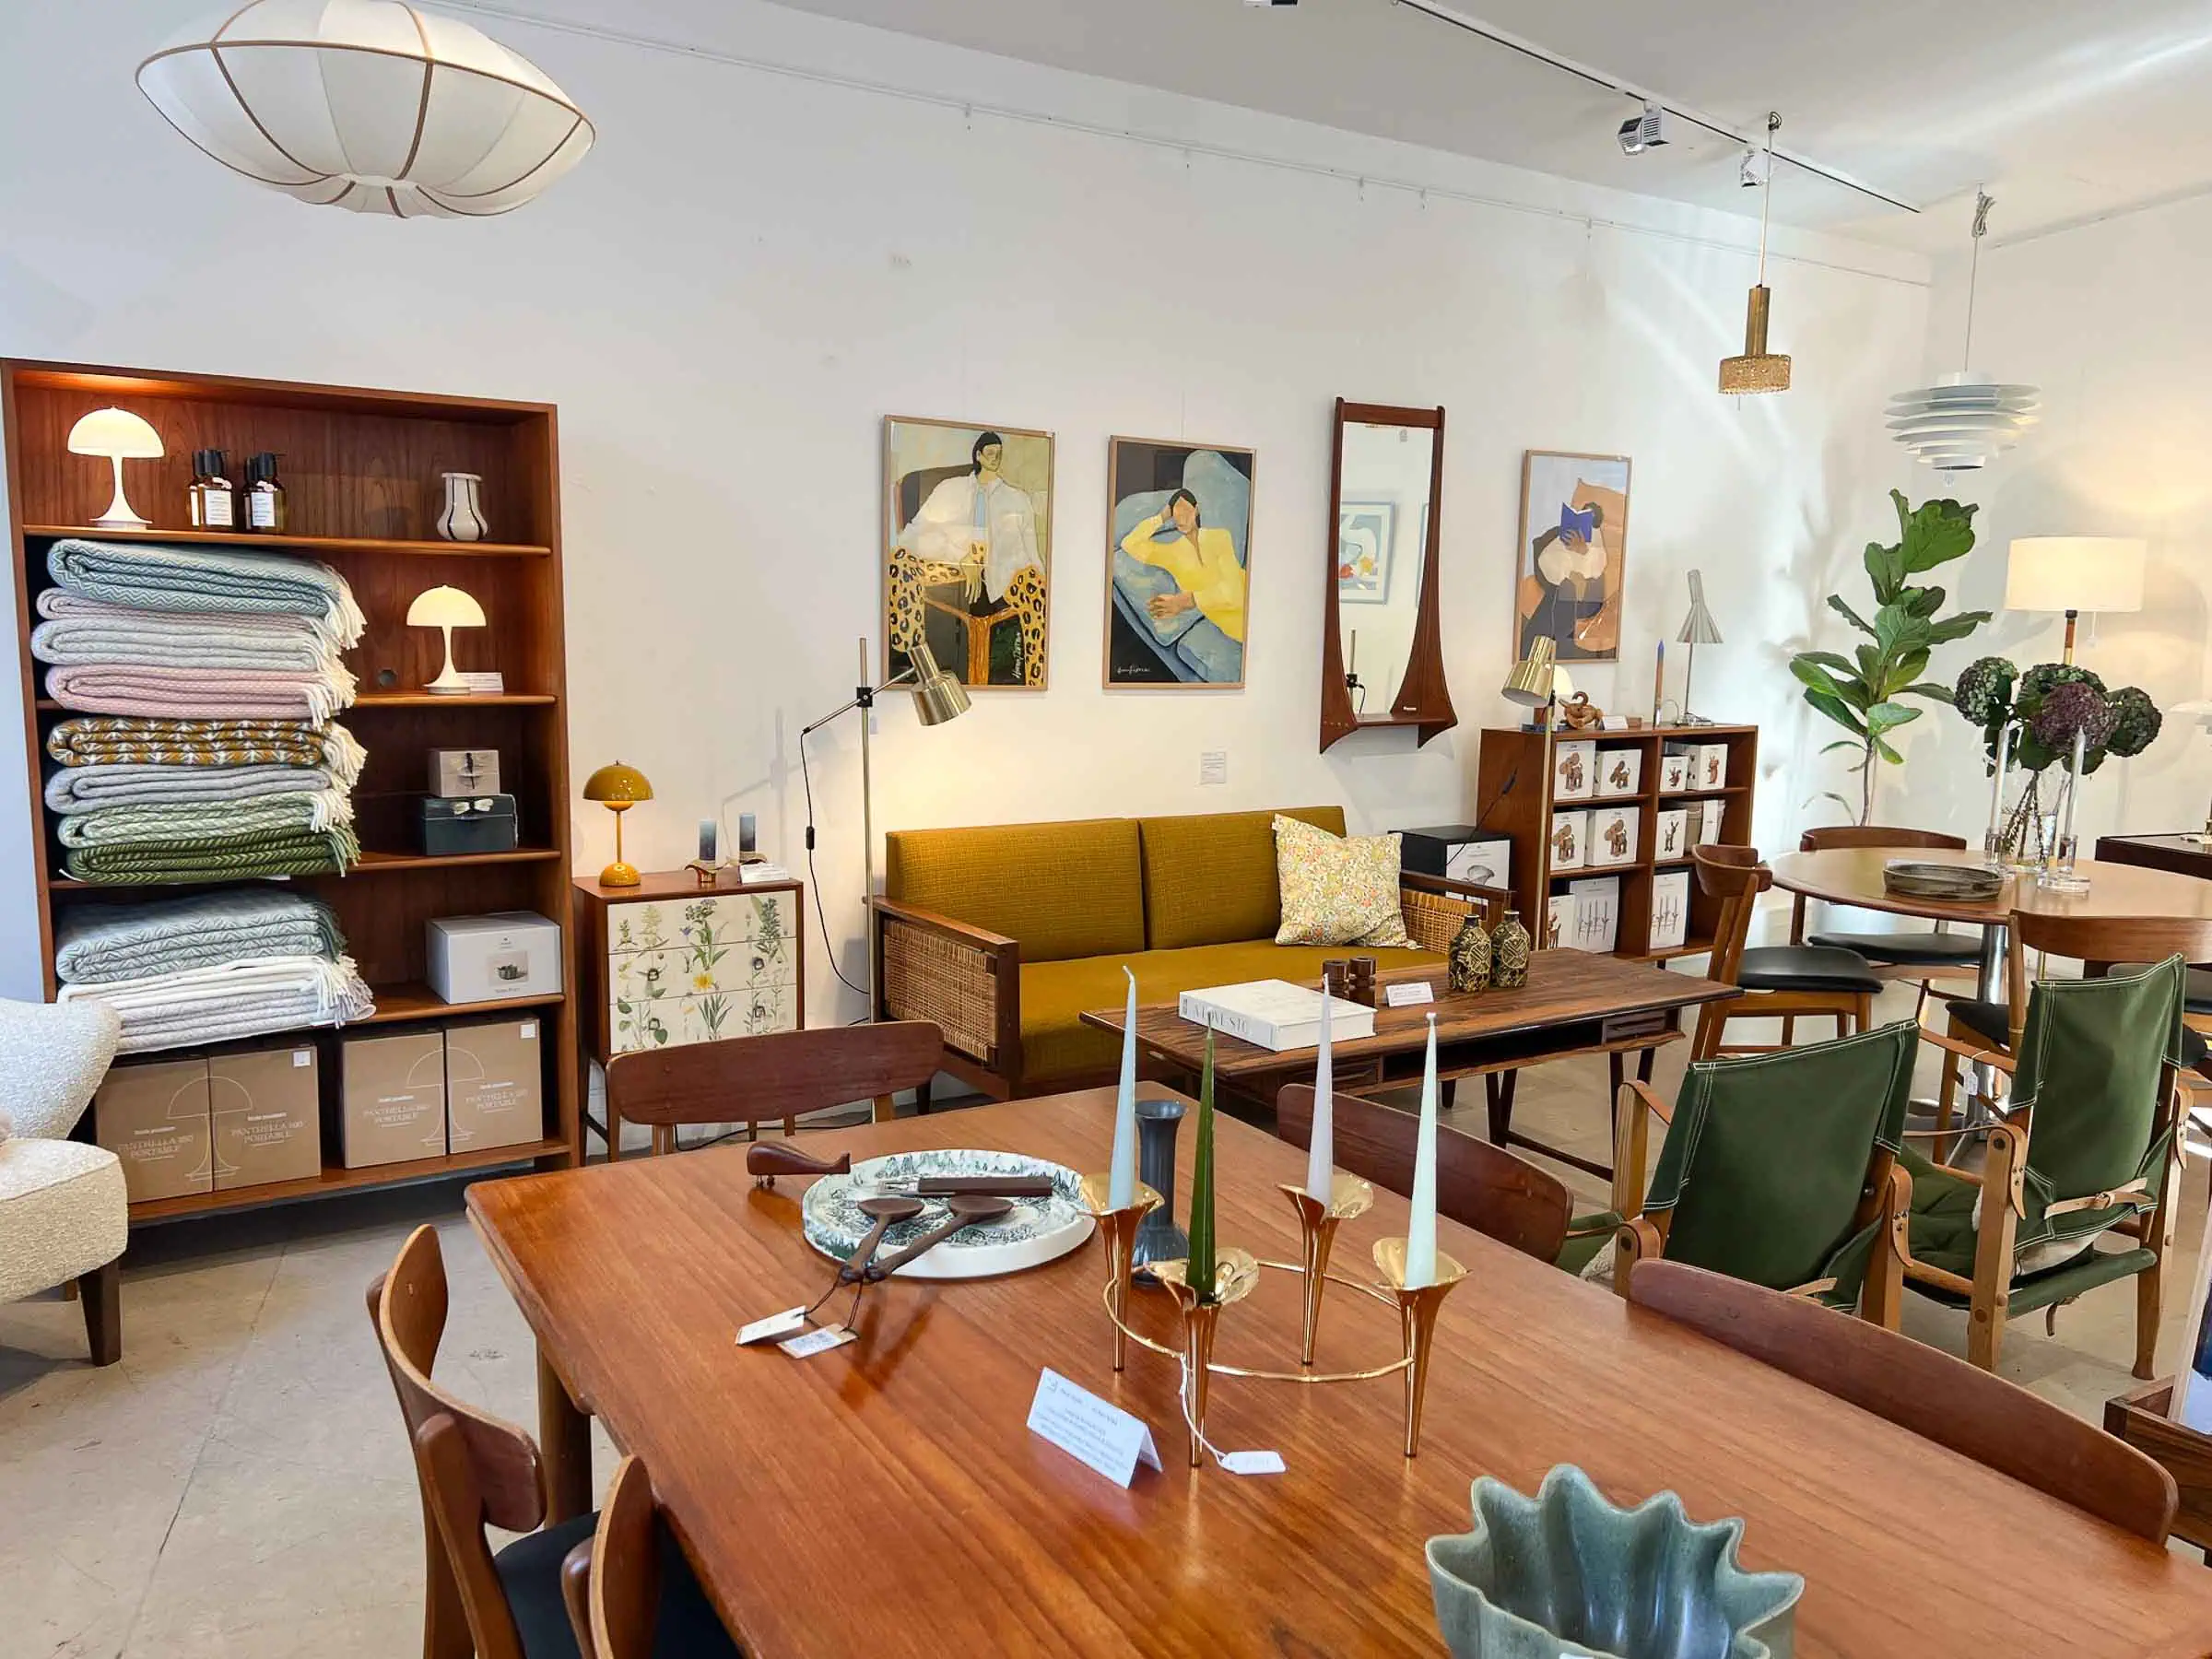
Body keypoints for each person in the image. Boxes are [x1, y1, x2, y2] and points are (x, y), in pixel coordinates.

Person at [895, 431, 1041, 613]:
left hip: (1006, 576)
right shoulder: (949, 488)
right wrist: (960, 558)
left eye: (999, 453)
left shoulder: (1017, 498)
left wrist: (1041, 580)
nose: (995, 458)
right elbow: (911, 537)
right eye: (990, 453)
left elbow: (1032, 553)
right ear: (978, 455)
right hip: (952, 564)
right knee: (899, 562)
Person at [1119, 488, 1245, 645]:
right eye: (1177, 514)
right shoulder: (1173, 554)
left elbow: (1234, 594)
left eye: (1186, 511)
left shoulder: (1220, 536)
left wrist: (1187, 601)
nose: (1181, 518)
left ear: (1196, 510)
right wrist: (1161, 517)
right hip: (1238, 628)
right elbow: (1129, 543)